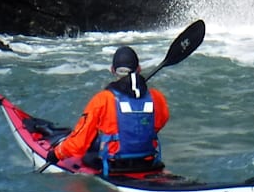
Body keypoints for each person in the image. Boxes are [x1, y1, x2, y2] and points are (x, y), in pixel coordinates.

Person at [46, 46, 169, 175]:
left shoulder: (102, 99)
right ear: (139, 69)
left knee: (90, 148)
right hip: (148, 163)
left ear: (113, 70)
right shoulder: (156, 97)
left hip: (114, 165)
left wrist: (56, 154)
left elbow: (79, 143)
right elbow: (157, 123)